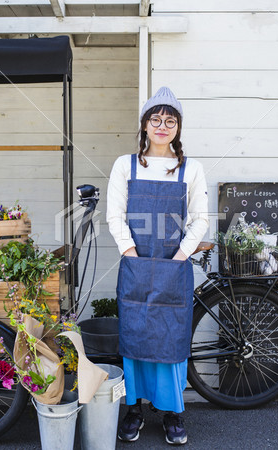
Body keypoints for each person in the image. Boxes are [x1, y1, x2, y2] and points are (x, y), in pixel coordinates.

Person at [106, 87, 209, 445]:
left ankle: (172, 413)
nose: (162, 126)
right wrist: (131, 253)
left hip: (174, 267)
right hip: (135, 264)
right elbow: (115, 216)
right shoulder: (126, 165)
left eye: (170, 120)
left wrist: (180, 256)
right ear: (145, 125)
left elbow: (199, 220)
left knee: (171, 340)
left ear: (178, 128)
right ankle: (133, 409)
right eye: (156, 119)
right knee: (134, 337)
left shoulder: (190, 169)